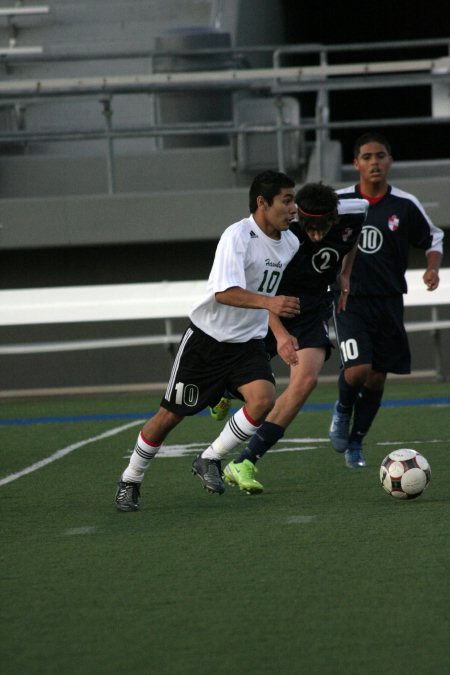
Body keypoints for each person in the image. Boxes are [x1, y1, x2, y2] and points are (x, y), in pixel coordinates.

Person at [115, 170, 301, 511]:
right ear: (262, 203)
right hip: (207, 342)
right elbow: (225, 293)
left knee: (263, 400)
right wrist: (270, 304)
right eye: (286, 200)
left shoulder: (291, 243)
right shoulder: (237, 236)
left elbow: (267, 295)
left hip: (247, 343)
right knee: (169, 417)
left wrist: (279, 331)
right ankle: (130, 479)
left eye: (294, 200)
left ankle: (210, 459)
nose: (294, 208)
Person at [216, 182, 369, 494]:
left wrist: (345, 275)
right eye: (308, 228)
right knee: (248, 382)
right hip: (271, 305)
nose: (314, 235)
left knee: (306, 381)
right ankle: (223, 389)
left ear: (334, 218)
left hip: (312, 309)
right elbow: (258, 285)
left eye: (321, 228)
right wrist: (280, 332)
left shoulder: (355, 211)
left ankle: (245, 461)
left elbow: (352, 239)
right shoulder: (282, 228)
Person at [328, 131, 444, 468]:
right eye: (367, 157)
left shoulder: (405, 204)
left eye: (380, 156)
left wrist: (432, 268)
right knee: (358, 369)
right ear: (355, 164)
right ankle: (342, 410)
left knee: (378, 377)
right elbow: (309, 232)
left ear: (389, 161)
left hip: (389, 299)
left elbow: (433, 237)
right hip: (349, 298)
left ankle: (356, 443)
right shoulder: (340, 202)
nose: (374, 162)